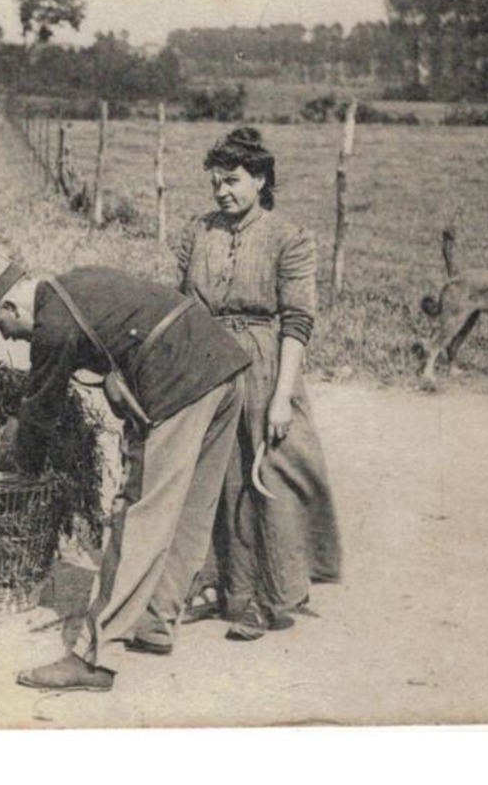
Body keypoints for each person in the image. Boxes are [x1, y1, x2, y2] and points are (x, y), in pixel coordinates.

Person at [0, 256, 251, 692]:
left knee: (135, 516)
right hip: (224, 369)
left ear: (10, 306)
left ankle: (93, 658)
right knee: (188, 511)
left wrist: (21, 463)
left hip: (179, 382)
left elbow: (42, 409)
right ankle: (155, 623)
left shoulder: (51, 325)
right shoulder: (77, 281)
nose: (5, 335)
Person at [177, 126, 342, 641]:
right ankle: (219, 587)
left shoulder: (289, 238)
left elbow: (297, 322)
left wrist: (281, 398)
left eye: (232, 181)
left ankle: (270, 597)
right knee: (213, 477)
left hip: (267, 365)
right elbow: (183, 305)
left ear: (261, 179)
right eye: (215, 184)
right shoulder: (196, 232)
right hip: (209, 361)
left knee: (267, 477)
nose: (221, 191)